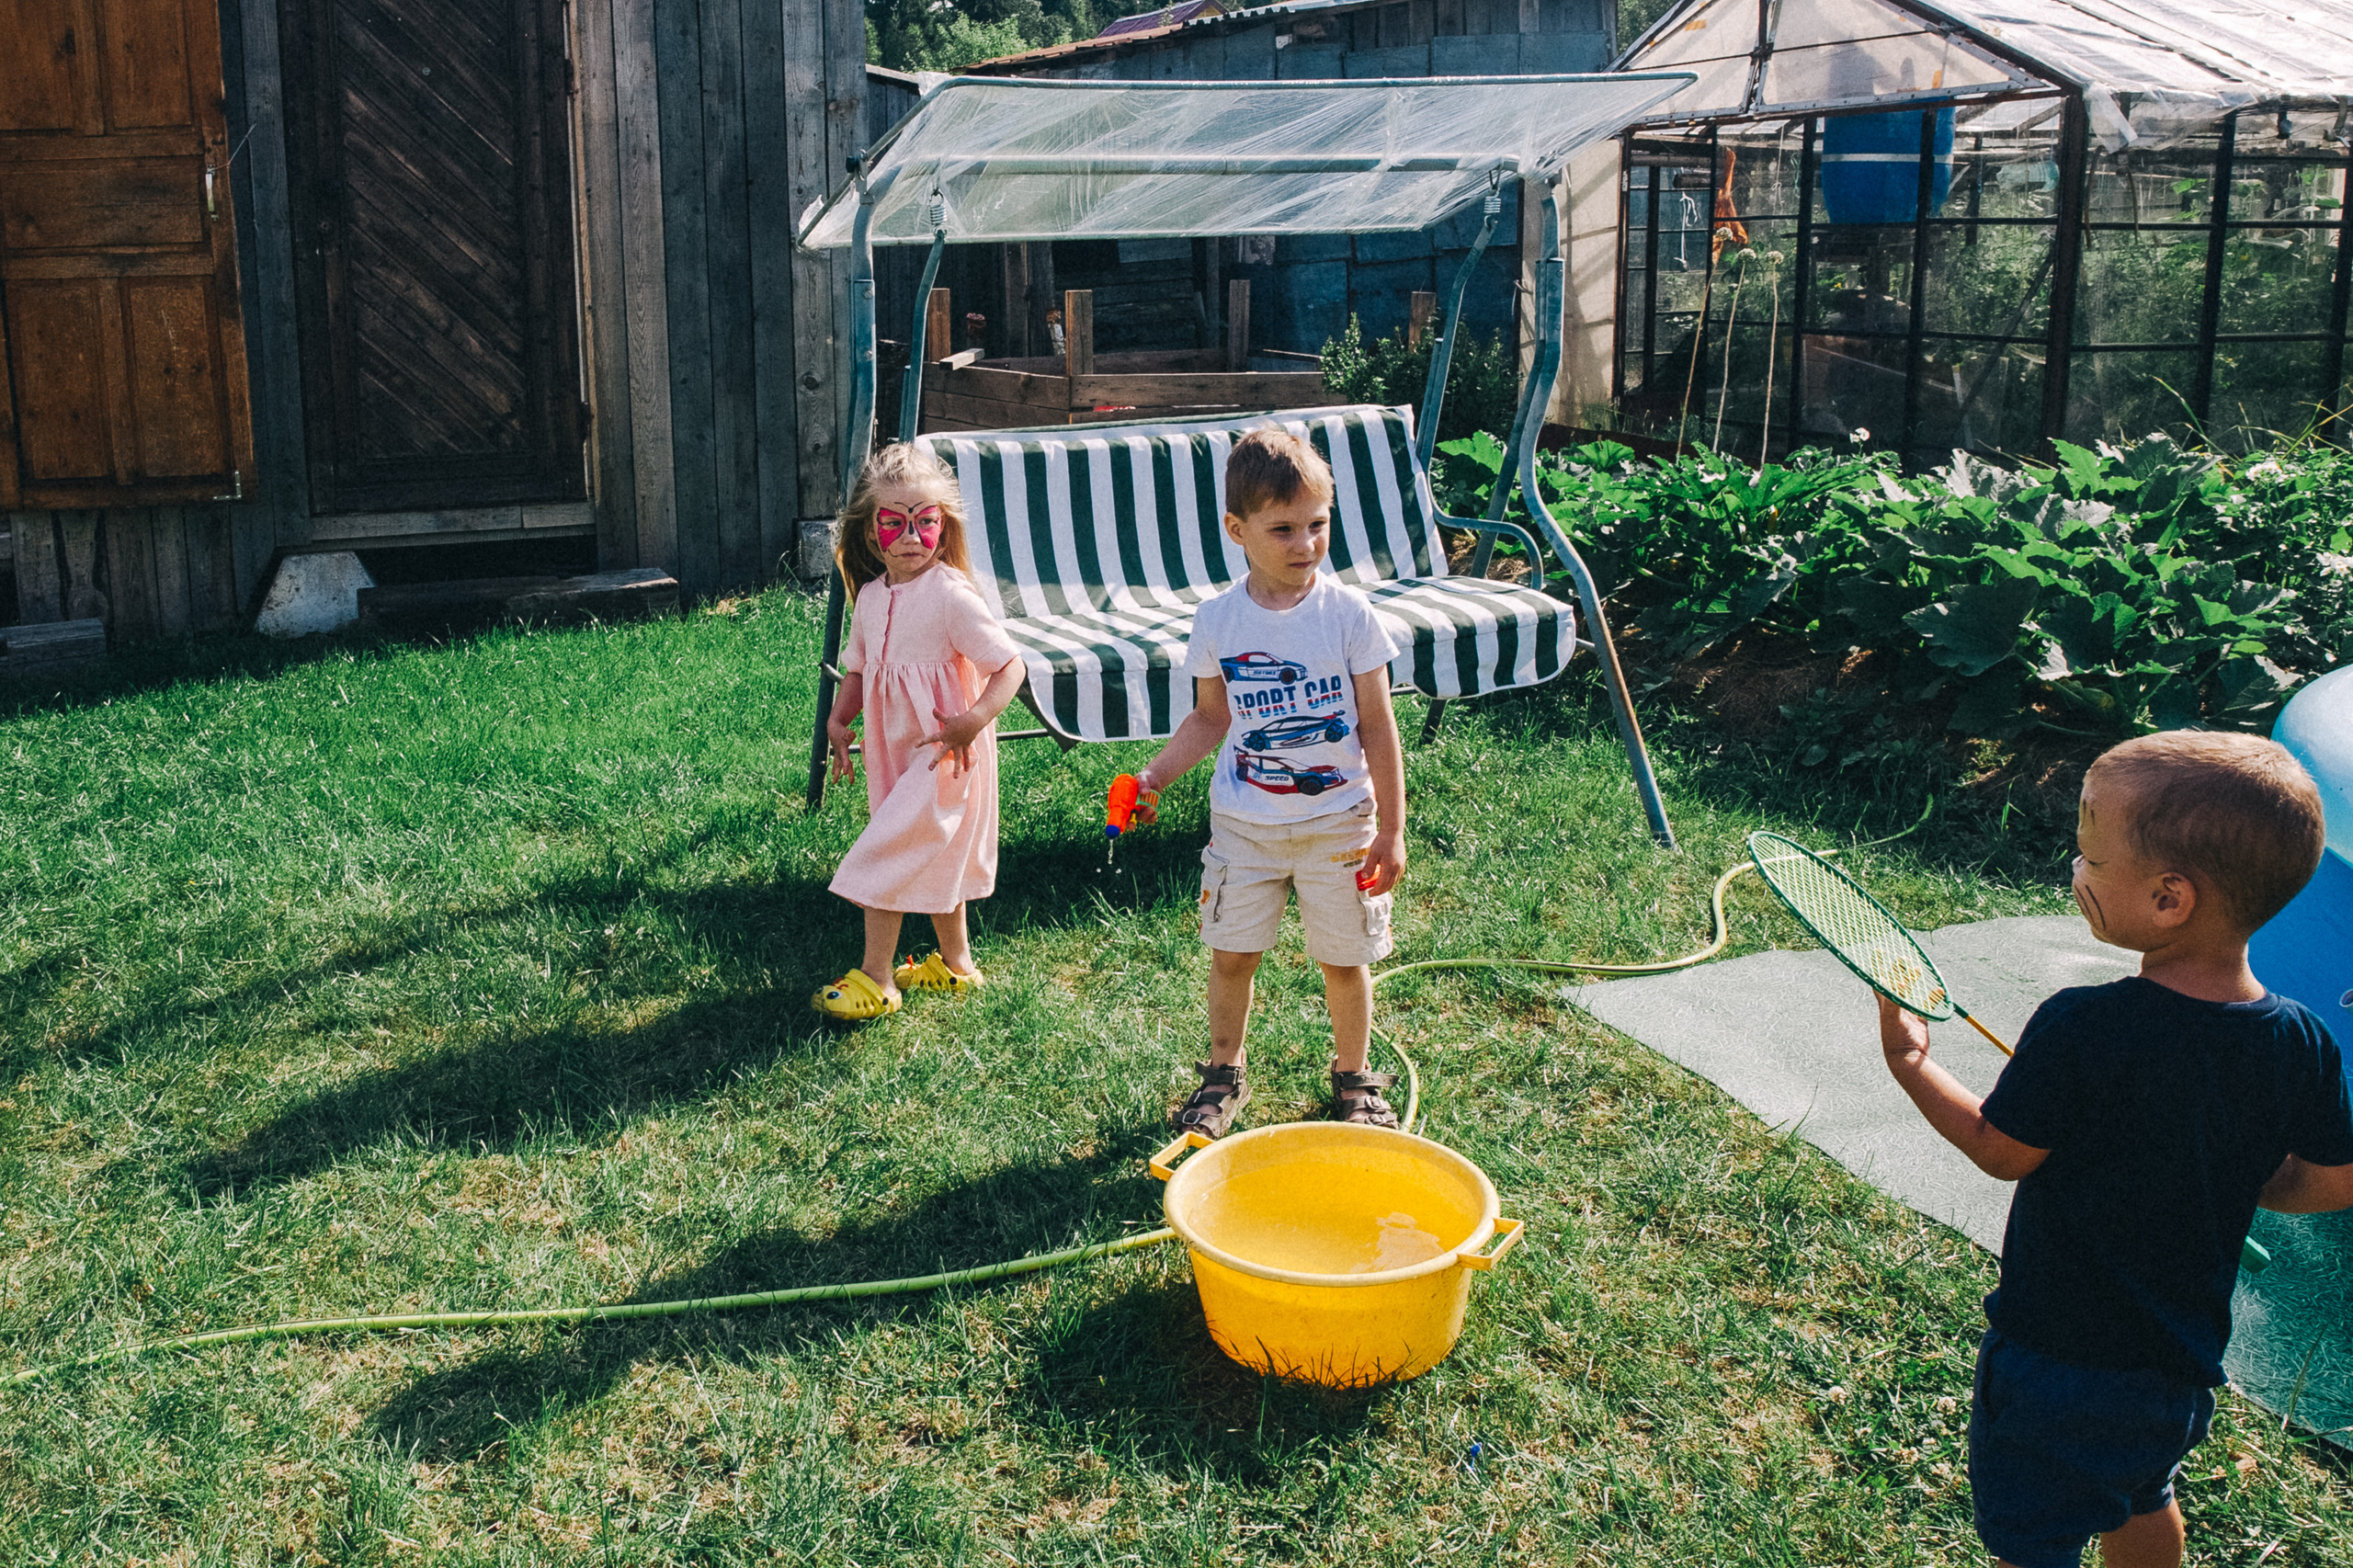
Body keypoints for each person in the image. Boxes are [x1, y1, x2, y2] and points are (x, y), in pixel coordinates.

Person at [1873, 730, 2353, 1568]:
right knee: (2141, 1492)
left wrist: (1912, 1064)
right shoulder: (2303, 1041)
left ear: (2171, 899)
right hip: (2177, 1366)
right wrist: (2244, 1179)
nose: (2076, 871)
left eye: (2090, 858)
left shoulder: (2083, 1023)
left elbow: (2001, 1150)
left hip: (2054, 1356)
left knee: (2036, 1532)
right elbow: (2332, 1178)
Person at [1126, 426, 1408, 1134]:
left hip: (1339, 826)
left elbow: (1378, 725)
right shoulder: (1219, 618)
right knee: (1232, 956)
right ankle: (1223, 1074)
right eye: (1282, 529)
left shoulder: (1346, 614)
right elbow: (1209, 717)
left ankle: (1354, 1079)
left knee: (1344, 961)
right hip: (1245, 830)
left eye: (1317, 524)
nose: (1305, 544)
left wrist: (1394, 830)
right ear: (1237, 529)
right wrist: (1153, 776)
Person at [813, 443, 1028, 1020]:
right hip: (894, 750)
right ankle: (957, 965)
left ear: (942, 525)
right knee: (932, 850)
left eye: (925, 521)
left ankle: (876, 978)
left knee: (887, 850)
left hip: (943, 755)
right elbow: (861, 669)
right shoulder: (873, 598)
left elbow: (1011, 667)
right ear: (868, 531)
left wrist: (973, 721)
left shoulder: (951, 595)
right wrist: (839, 718)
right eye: (895, 522)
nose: (911, 535)